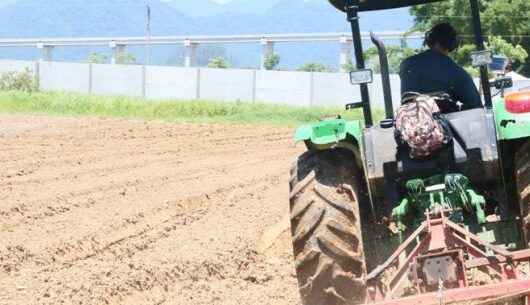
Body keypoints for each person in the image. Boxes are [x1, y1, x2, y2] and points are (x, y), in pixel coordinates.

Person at [399, 23, 482, 110]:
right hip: (440, 122)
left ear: (430, 40)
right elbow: (475, 106)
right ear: (452, 44)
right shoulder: (457, 73)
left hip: (409, 122)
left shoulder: (407, 64)